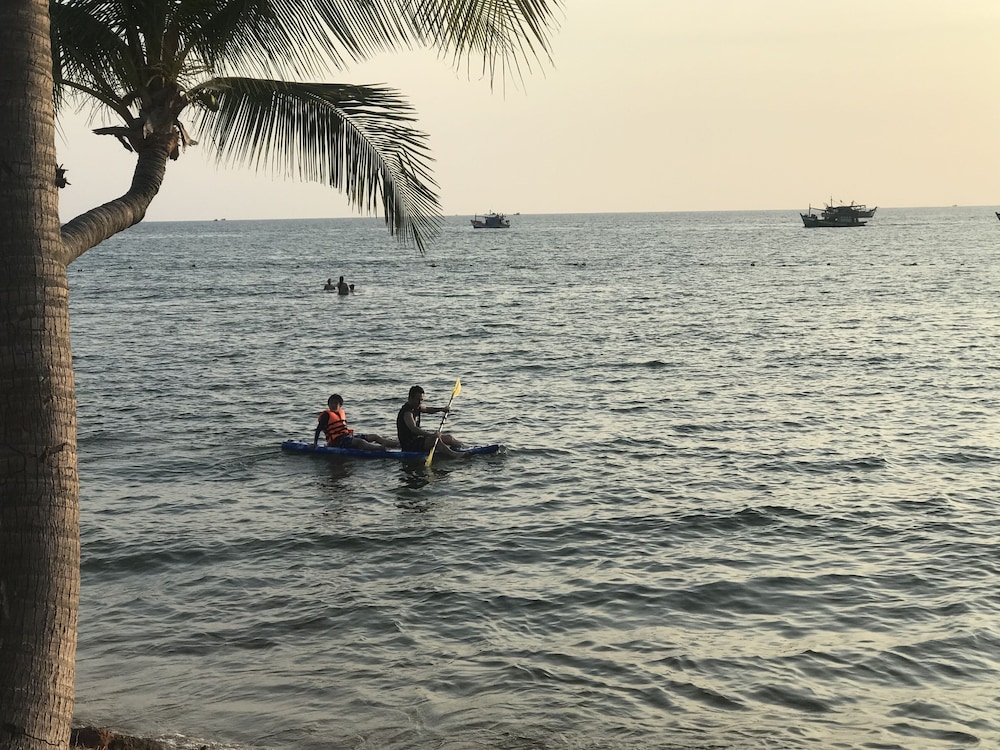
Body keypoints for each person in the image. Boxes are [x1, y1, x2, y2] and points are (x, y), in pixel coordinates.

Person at [396, 385, 466, 458]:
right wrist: (431, 435)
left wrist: (442, 409)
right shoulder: (407, 412)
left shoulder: (417, 407)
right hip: (409, 445)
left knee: (449, 438)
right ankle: (455, 455)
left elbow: (428, 409)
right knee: (435, 440)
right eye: (417, 400)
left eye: (421, 400)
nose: (420, 402)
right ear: (410, 398)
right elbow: (414, 429)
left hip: (417, 440)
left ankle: (464, 448)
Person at [313, 394, 399, 451]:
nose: (333, 405)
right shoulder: (326, 415)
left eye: (336, 403)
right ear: (328, 404)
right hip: (336, 442)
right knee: (359, 442)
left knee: (374, 436)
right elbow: (318, 429)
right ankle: (379, 449)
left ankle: (396, 444)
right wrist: (315, 443)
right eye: (331, 403)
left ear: (340, 405)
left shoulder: (340, 413)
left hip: (346, 437)